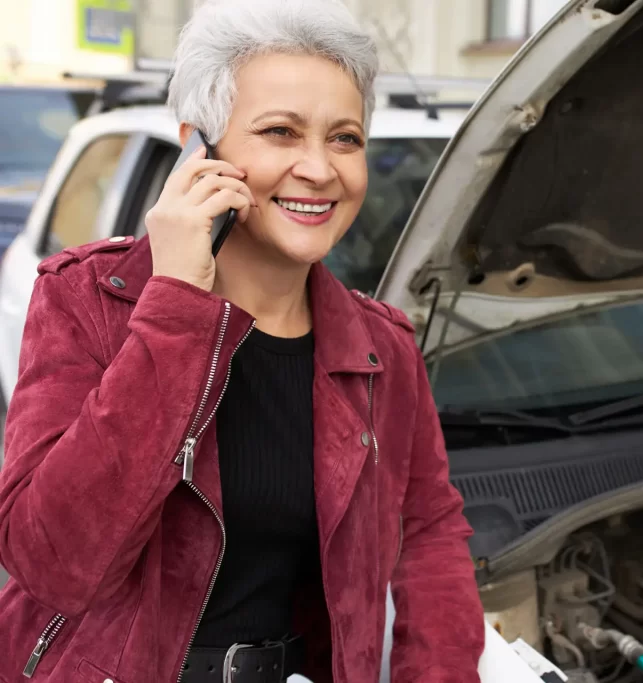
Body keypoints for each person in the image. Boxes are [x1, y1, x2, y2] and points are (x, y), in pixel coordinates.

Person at [0, 0, 485, 680]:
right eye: (281, 131)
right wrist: (176, 309)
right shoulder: (85, 300)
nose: (320, 168)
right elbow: (53, 561)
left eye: (345, 138)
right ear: (200, 148)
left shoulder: (381, 347)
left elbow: (428, 532)